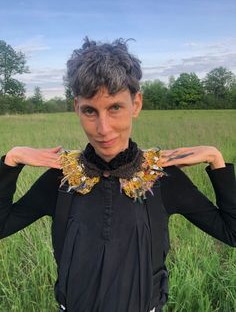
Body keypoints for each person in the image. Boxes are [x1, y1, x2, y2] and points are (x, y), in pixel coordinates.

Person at [0, 37, 235, 312]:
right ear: (77, 107)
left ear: (136, 104)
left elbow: (231, 232)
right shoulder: (62, 178)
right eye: (90, 110)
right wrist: (10, 162)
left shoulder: (160, 178)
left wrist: (217, 162)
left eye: (115, 108)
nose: (103, 128)